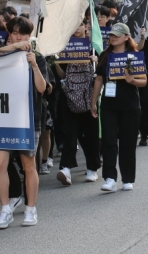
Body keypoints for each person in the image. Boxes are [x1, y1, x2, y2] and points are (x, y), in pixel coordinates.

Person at [0, 16, 49, 229]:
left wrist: (34, 65)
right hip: (1, 117)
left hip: (27, 118)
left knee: (28, 165)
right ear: (9, 33)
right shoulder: (0, 53)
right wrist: (13, 47)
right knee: (0, 164)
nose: (20, 37)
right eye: (16, 33)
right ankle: (5, 209)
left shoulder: (37, 57)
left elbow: (43, 88)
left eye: (24, 34)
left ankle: (31, 208)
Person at [91, 23, 146, 192]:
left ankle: (128, 178)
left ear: (126, 37)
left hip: (130, 105)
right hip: (108, 104)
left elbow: (144, 81)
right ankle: (109, 178)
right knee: (108, 141)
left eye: (117, 35)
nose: (113, 37)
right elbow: (99, 80)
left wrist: (132, 81)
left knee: (128, 142)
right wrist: (93, 102)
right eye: (112, 35)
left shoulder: (134, 56)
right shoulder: (105, 56)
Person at [56, 21, 101, 186]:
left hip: (89, 96)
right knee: (70, 134)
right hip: (70, 96)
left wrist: (95, 60)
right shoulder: (66, 47)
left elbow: (100, 72)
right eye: (74, 24)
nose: (77, 27)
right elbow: (62, 75)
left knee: (90, 135)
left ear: (86, 27)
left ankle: (92, 168)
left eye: (80, 24)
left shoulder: (92, 45)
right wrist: (57, 63)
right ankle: (66, 168)